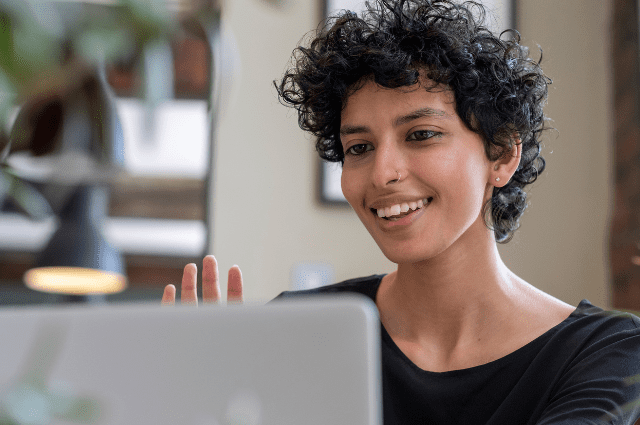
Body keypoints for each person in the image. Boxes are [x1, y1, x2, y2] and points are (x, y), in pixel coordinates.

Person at [162, 0, 640, 423]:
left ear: (501, 155)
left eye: (421, 135)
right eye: (360, 146)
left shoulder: (608, 350)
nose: (382, 173)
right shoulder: (300, 327)